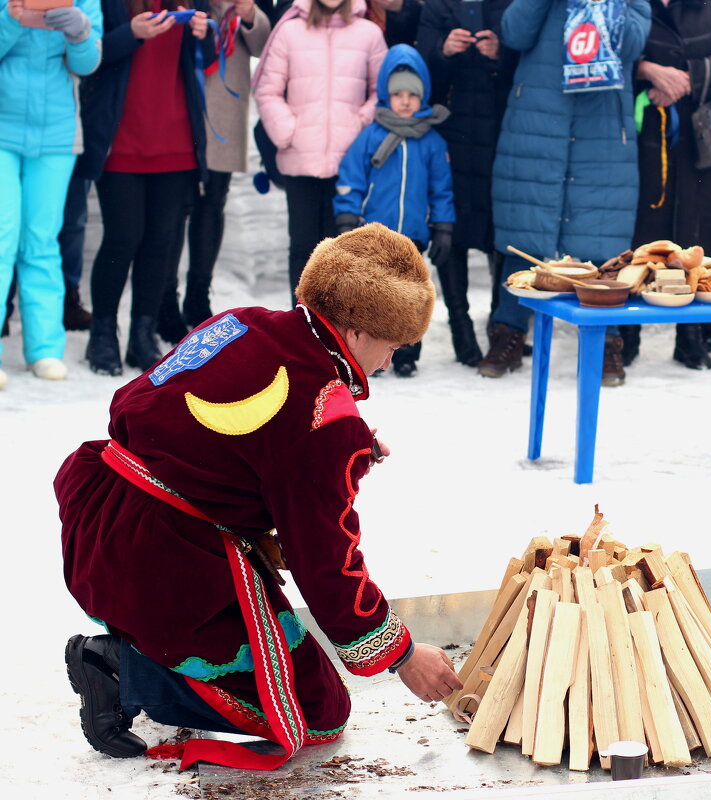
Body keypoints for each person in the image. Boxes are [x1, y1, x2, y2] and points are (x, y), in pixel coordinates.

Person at [59, 223, 463, 769]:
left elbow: (163, 407)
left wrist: (344, 450)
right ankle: (117, 668)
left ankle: (147, 641)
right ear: (360, 330)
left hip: (101, 509)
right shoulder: (326, 416)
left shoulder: (243, 322)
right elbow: (325, 564)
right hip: (161, 559)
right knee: (320, 711)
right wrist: (404, 655)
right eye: (392, 347)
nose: (388, 363)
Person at [484, 0, 651, 383]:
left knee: (601, 235)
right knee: (527, 230)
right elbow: (515, 32)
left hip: (603, 123)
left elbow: (633, 43)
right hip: (540, 116)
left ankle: (606, 342)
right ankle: (507, 333)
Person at [81, 1, 215, 377]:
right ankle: (103, 331)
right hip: (121, 136)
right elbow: (86, 56)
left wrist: (205, 33)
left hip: (176, 137)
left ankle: (143, 332)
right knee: (122, 237)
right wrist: (131, 34)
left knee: (161, 240)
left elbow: (207, 60)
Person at [625, 0, 711, 373]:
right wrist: (647, 71)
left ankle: (689, 334)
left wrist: (684, 79)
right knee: (639, 235)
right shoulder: (631, 5)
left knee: (693, 234)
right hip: (641, 134)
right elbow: (609, 51)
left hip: (698, 139)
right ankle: (627, 332)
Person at [333, 43, 455, 377]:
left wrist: (443, 226)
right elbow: (352, 178)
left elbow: (441, 190)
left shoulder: (431, 142)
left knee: (411, 300)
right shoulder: (371, 136)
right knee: (376, 299)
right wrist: (347, 215)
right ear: (387, 95)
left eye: (412, 95)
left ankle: (407, 355)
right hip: (375, 237)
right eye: (398, 93)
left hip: (413, 236)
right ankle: (372, 356)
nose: (404, 100)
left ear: (423, 96)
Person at [0, 0, 102, 388]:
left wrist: (78, 30)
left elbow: (88, 63)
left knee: (41, 239)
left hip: (56, 134)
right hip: (2, 130)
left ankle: (44, 349)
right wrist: (9, 19)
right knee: (1, 236)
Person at [157, 0, 272, 344]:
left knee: (213, 202)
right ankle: (165, 300)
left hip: (226, 99)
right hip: (183, 94)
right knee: (176, 207)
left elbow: (264, 47)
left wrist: (249, 13)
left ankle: (198, 295)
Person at [253, 0, 387, 293]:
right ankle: (300, 331)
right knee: (303, 249)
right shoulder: (289, 31)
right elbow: (267, 89)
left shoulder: (368, 33)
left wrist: (359, 127)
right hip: (300, 160)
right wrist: (288, 131)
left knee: (343, 253)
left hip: (349, 164)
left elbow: (382, 91)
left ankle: (336, 334)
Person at [416, 0, 517, 368]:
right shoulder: (437, 6)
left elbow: (525, 66)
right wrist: (443, 50)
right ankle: (461, 328)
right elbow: (420, 73)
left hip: (499, 134)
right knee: (451, 230)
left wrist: (498, 53)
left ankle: (501, 329)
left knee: (501, 234)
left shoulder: (509, 6)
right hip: (451, 138)